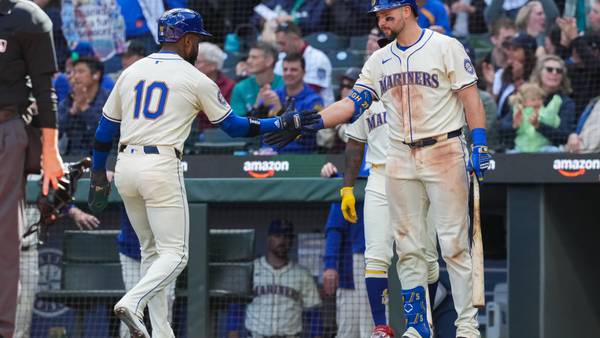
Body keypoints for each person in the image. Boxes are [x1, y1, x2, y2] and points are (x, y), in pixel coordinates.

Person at [88, 8, 320, 337]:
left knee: (150, 252)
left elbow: (103, 131)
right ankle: (133, 300)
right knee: (176, 255)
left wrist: (98, 174)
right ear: (185, 40)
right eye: (195, 39)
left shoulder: (132, 70)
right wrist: (280, 122)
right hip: (160, 165)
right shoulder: (195, 77)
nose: (196, 45)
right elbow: (236, 128)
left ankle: (161, 331)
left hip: (124, 165)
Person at [267, 0, 492, 336]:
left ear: (407, 11)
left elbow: (470, 97)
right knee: (408, 248)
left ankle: (466, 327)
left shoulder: (446, 46)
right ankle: (418, 325)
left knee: (453, 245)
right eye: (379, 17)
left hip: (444, 149)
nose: (382, 23)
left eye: (388, 15)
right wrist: (307, 121)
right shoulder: (378, 60)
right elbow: (352, 104)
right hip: (399, 156)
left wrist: (480, 142)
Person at [0, 0, 65, 336]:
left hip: (6, 129)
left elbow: (45, 91)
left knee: (3, 242)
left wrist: (51, 153)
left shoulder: (26, 16)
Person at [235, 219, 322, 338]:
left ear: (292, 241)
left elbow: (314, 314)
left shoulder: (303, 274)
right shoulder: (251, 269)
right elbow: (236, 307)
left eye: (286, 237)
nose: (282, 241)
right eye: (277, 236)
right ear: (268, 239)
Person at [500, 54, 576, 151]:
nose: (554, 73)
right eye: (549, 69)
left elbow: (564, 135)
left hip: (549, 155)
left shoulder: (566, 102)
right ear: (539, 72)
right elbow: (502, 130)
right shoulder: (524, 94)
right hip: (519, 153)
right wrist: (514, 125)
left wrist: (539, 126)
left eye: (559, 71)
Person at [267, 53, 324, 153]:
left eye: (293, 70)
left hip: (300, 155)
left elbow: (309, 133)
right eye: (285, 69)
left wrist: (281, 111)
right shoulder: (274, 95)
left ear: (304, 72)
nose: (288, 73)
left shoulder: (314, 100)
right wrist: (258, 106)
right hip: (270, 153)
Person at [58, 56, 110, 156]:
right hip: (71, 159)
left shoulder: (109, 100)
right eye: (74, 72)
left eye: (81, 72)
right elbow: (55, 134)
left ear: (96, 75)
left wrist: (84, 107)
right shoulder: (68, 101)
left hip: (103, 159)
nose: (75, 76)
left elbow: (105, 134)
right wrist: (72, 112)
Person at [274, 22, 335, 106]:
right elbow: (277, 88)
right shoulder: (281, 60)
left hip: (321, 113)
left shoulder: (318, 58)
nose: (281, 49)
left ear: (295, 39)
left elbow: (306, 91)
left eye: (283, 44)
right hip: (287, 111)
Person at [230, 41, 284, 116]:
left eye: (254, 57)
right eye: (249, 57)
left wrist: (280, 109)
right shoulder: (240, 88)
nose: (248, 61)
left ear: (269, 61)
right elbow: (237, 123)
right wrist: (256, 107)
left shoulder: (285, 83)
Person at [506, 82, 562, 152]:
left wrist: (539, 122)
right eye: (533, 100)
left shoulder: (545, 111)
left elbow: (554, 123)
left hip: (541, 148)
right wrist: (516, 125)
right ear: (524, 102)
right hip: (522, 149)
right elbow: (508, 129)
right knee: (510, 152)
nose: (537, 102)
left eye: (540, 99)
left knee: (554, 150)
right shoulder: (518, 112)